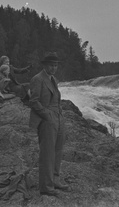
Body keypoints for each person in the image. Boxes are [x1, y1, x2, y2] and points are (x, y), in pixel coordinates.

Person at [29, 52, 69, 197]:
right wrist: (47, 115)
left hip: (58, 117)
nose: (54, 68)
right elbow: (33, 101)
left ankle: (55, 180)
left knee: (58, 150)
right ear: (45, 65)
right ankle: (46, 187)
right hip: (46, 119)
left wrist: (59, 115)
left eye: (56, 65)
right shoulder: (38, 79)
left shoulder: (53, 79)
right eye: (51, 65)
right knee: (47, 153)